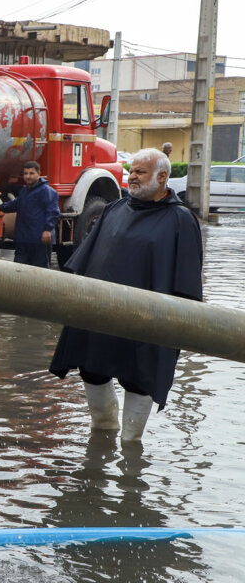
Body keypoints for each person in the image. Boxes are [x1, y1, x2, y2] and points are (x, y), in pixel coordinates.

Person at [49, 148, 203, 442]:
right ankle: (102, 435)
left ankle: (131, 451)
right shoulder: (113, 209)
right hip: (100, 314)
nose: (132, 176)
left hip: (149, 321)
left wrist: (180, 326)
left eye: (140, 172)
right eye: (131, 171)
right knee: (92, 370)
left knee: (139, 380)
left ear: (162, 177)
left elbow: (187, 281)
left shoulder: (181, 219)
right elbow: (84, 262)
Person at [0, 160, 61, 268]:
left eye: (31, 173)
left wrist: (47, 230)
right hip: (23, 239)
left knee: (39, 272)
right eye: (25, 173)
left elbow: (53, 212)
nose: (28, 176)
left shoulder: (47, 191)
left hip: (39, 240)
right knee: (19, 270)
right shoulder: (24, 191)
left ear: (39, 173)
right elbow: (15, 204)